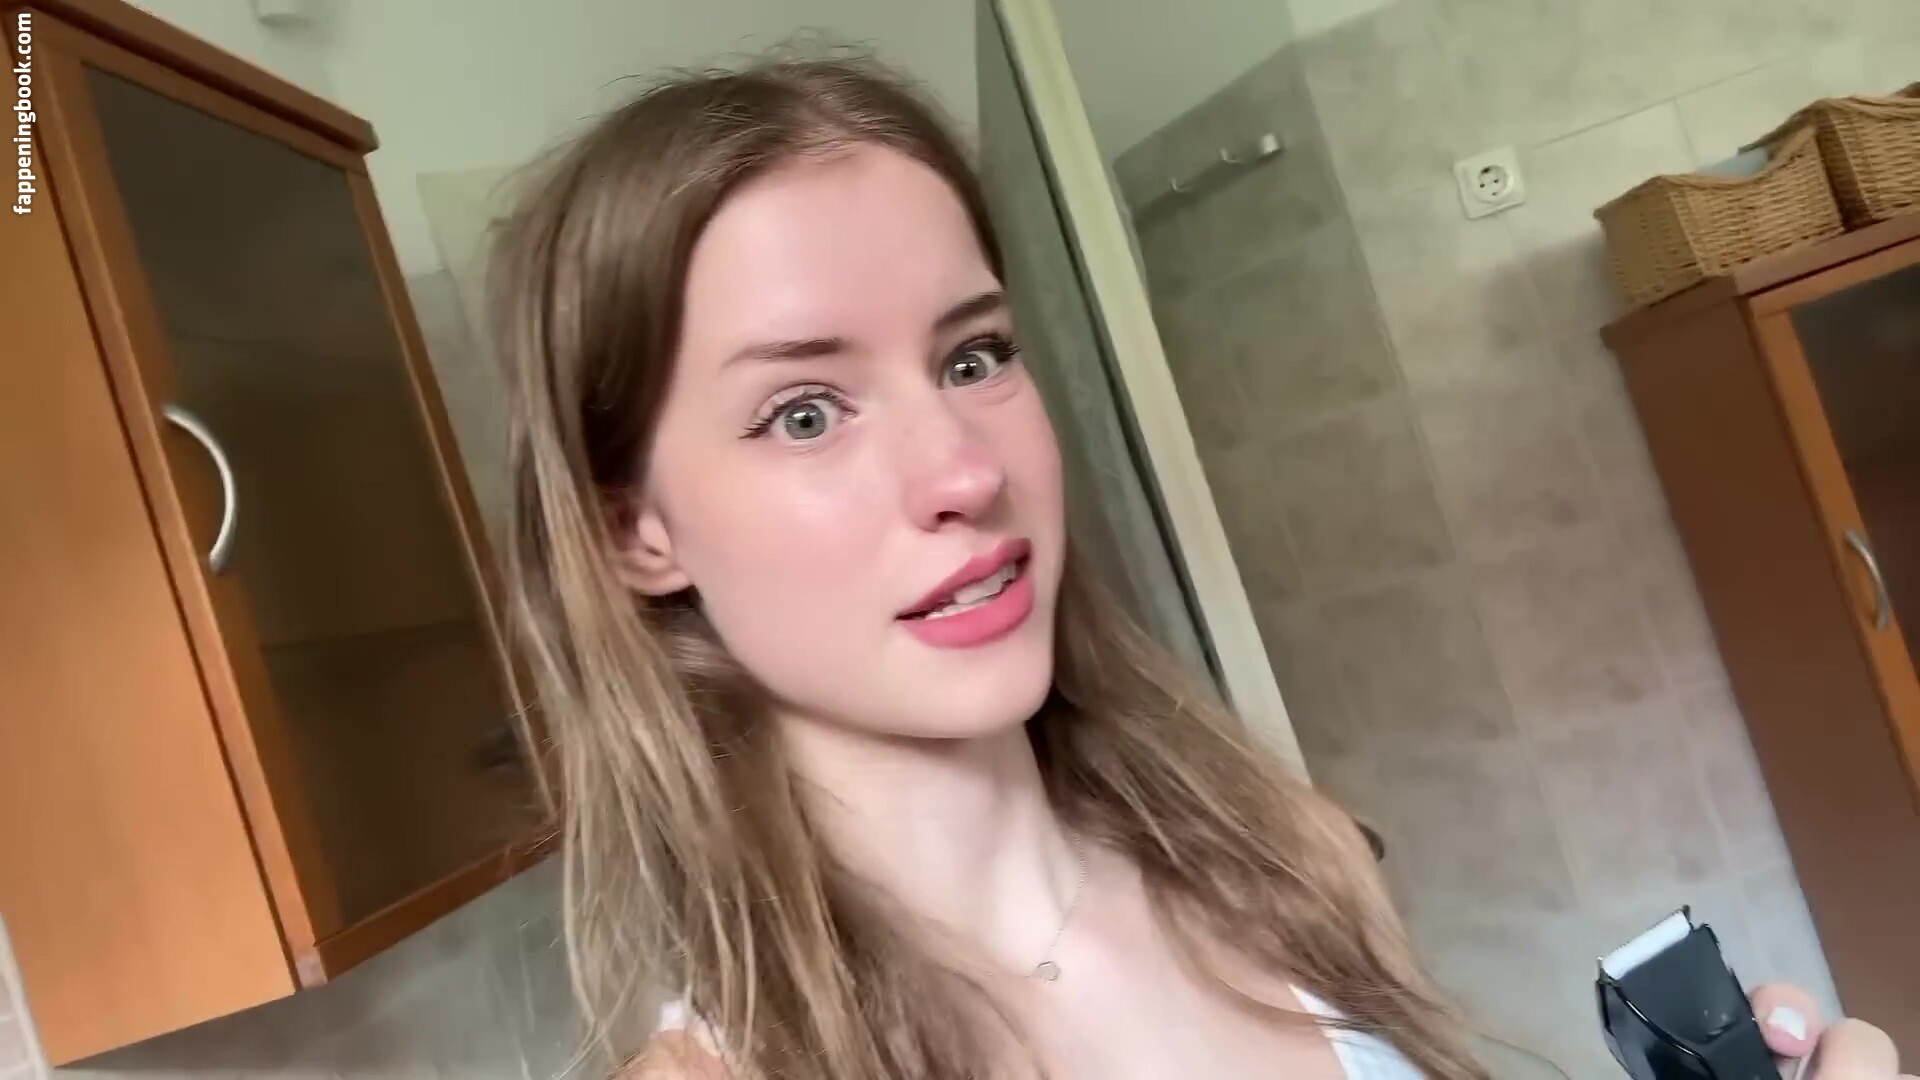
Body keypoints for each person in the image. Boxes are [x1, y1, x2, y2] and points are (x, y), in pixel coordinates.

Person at [488, 53, 1905, 1080]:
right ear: (633, 531)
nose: (965, 472)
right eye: (806, 412)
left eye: (974, 358)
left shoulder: (1289, 863)